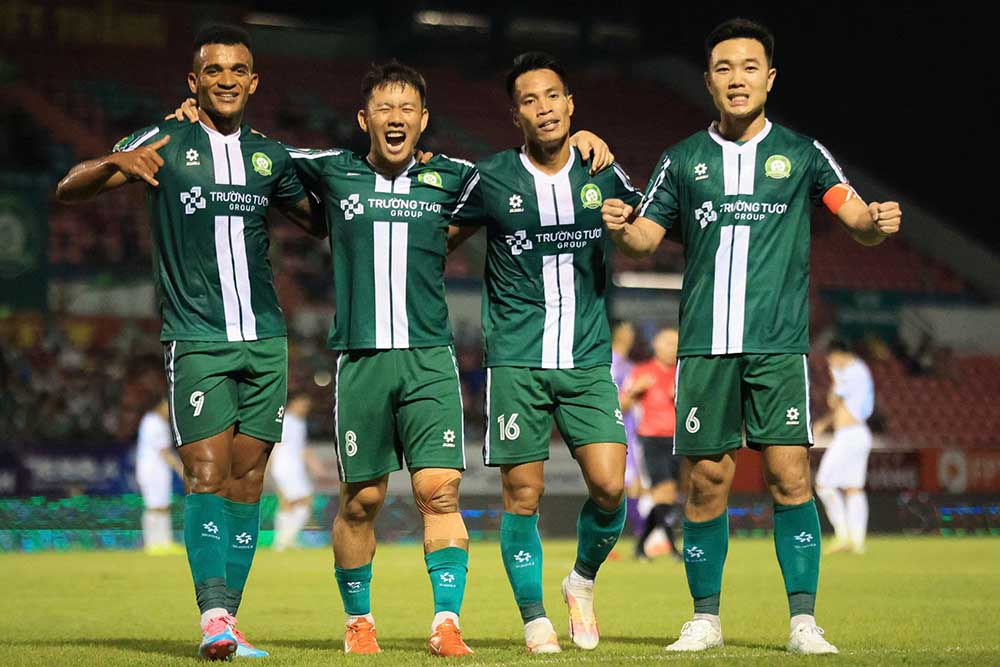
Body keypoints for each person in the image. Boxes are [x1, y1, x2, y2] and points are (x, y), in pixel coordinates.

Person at [169, 59, 611, 657]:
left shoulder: (456, 175)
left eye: (407, 108)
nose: (396, 118)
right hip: (362, 359)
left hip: (430, 358)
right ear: (363, 119)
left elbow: (527, 169)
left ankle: (446, 622)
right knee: (363, 500)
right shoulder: (331, 169)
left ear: (424, 120)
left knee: (440, 492)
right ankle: (359, 621)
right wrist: (194, 124)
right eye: (384, 107)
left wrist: (577, 140)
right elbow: (254, 154)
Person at [601, 17, 901, 655]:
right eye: (723, 68)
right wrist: (620, 225)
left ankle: (803, 622)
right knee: (706, 480)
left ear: (769, 77)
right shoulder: (682, 160)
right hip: (705, 346)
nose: (737, 79)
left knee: (791, 478)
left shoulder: (803, 153)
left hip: (776, 344)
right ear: (708, 81)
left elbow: (855, 217)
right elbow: (646, 237)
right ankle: (705, 617)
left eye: (749, 67)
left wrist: (875, 223)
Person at [56, 24, 324, 661]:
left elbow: (317, 220)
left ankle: (229, 618)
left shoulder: (269, 157)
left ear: (254, 82)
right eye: (214, 70)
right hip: (197, 337)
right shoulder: (165, 139)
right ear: (194, 81)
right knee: (206, 474)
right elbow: (69, 187)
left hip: (265, 340)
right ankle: (212, 618)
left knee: (248, 483)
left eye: (238, 69)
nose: (226, 79)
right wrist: (112, 161)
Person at [448, 52, 642, 653]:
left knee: (612, 488)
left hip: (586, 359)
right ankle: (534, 620)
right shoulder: (493, 177)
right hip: (516, 360)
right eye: (530, 100)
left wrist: (626, 224)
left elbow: (646, 226)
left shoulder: (602, 170)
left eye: (553, 96)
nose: (544, 108)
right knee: (522, 494)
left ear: (570, 104)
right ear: (516, 116)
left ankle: (580, 582)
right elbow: (438, 235)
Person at [620, 327, 682, 561]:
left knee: (668, 495)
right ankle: (674, 549)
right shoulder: (642, 371)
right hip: (652, 438)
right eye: (667, 342)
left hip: (678, 439)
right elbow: (621, 404)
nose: (672, 347)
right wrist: (634, 391)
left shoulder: (681, 373)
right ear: (655, 345)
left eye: (675, 342)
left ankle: (640, 547)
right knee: (663, 492)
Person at [813, 339, 875, 555]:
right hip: (857, 433)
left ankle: (843, 533)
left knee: (823, 484)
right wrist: (825, 423)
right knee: (853, 488)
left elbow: (833, 400)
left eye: (831, 359)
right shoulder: (861, 371)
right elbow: (843, 407)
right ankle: (857, 540)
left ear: (838, 355)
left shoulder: (850, 371)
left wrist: (834, 375)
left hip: (849, 436)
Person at [270, 391, 325, 551]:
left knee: (291, 503)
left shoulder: (299, 423)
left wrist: (313, 463)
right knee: (300, 500)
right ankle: (283, 541)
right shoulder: (285, 421)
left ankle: (285, 540)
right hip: (284, 467)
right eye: (303, 404)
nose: (305, 408)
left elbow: (301, 448)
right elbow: (275, 444)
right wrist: (270, 466)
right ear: (293, 403)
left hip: (294, 467)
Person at [136, 396, 184, 555]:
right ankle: (152, 543)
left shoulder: (155, 422)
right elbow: (164, 451)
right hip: (152, 470)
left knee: (163, 506)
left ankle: (164, 542)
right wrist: (180, 468)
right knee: (154, 506)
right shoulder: (154, 423)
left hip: (157, 470)